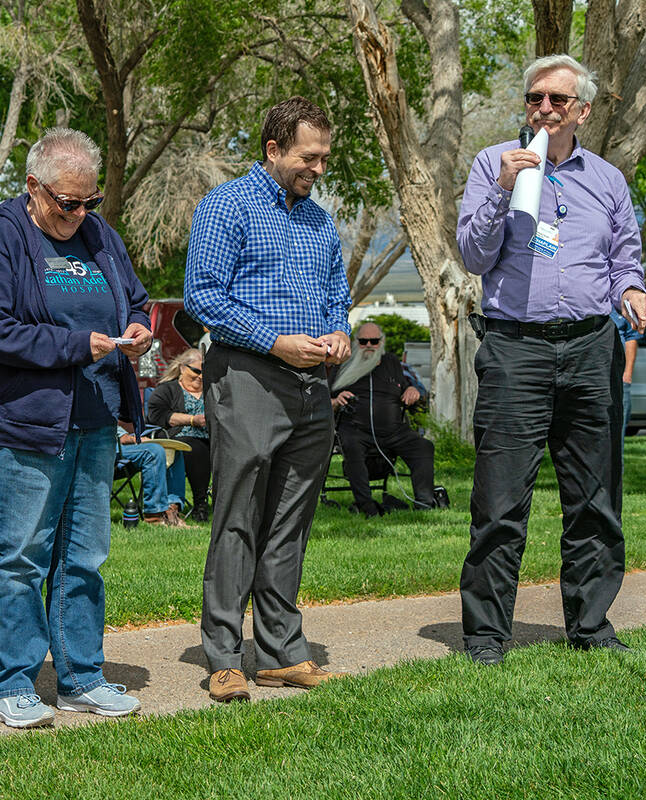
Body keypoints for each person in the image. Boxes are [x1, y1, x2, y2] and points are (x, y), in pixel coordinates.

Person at [456, 54, 646, 667]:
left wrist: (633, 290)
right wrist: (501, 191)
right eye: (534, 98)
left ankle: (590, 627)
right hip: (517, 348)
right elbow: (472, 254)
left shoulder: (608, 180)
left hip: (593, 346)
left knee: (595, 497)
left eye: (557, 100)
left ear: (583, 112)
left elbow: (624, 257)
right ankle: (488, 637)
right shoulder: (494, 164)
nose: (544, 108)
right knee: (500, 499)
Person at [0, 127, 152, 728]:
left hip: (94, 419)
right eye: (66, 202)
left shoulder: (100, 237)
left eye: (89, 201)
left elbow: (139, 299)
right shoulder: (2, 240)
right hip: (25, 425)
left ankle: (80, 676)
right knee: (22, 555)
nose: (78, 213)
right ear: (32, 187)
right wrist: (74, 344)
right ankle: (14, 684)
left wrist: (141, 326)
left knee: (85, 555)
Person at [184, 96, 352, 704]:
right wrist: (275, 341)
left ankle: (281, 652)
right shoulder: (227, 205)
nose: (319, 169)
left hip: (313, 388)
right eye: (310, 157)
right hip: (250, 379)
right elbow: (202, 298)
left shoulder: (319, 219)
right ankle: (225, 656)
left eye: (325, 158)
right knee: (238, 518)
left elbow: (339, 291)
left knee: (289, 525)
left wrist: (336, 330)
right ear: (273, 149)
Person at [330, 322, 435, 517]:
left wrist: (412, 390)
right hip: (355, 429)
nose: (369, 345)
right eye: (363, 341)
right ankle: (366, 505)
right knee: (351, 446)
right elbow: (322, 400)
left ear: (382, 342)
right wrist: (336, 401)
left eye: (374, 341)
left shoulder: (392, 362)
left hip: (394, 430)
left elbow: (414, 390)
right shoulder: (342, 364)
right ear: (355, 343)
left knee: (423, 446)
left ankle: (425, 503)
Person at [145, 348, 211, 521]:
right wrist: (192, 420)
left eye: (205, 372)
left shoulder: (213, 391)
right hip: (178, 437)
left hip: (212, 439)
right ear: (182, 368)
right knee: (194, 447)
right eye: (196, 371)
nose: (201, 376)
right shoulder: (166, 390)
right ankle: (200, 504)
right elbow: (157, 415)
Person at [117, 423, 188, 527]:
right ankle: (154, 516)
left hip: (125, 441)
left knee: (173, 449)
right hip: (104, 447)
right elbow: (120, 436)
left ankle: (172, 510)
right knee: (154, 451)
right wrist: (135, 439)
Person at [610, 308, 643, 449]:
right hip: (595, 376)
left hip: (620, 378)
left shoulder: (621, 306)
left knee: (617, 433)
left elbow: (631, 337)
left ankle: (616, 470)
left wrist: (627, 375)